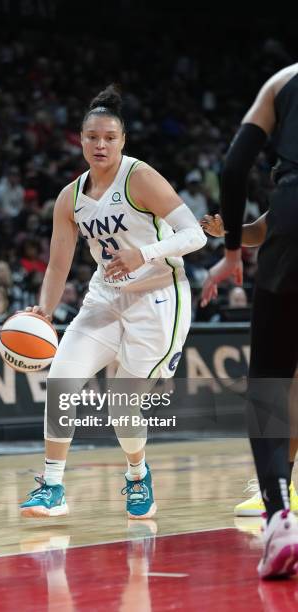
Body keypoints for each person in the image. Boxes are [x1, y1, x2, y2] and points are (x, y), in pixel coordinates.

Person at [19, 85, 206, 519]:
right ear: (80, 140)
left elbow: (194, 234)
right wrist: (44, 311)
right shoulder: (70, 197)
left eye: (109, 138)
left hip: (158, 297)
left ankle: (138, 475)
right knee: (62, 378)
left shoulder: (140, 177)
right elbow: (57, 264)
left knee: (122, 405)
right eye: (92, 137)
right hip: (104, 296)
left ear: (122, 141)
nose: (100, 144)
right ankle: (52, 486)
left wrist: (144, 253)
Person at [200, 64, 298, 579]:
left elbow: (234, 168)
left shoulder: (283, 83)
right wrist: (236, 231)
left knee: (269, 387)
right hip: (285, 220)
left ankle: (280, 515)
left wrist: (232, 249)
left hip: (292, 219)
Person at [202, 212, 298, 516]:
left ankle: (278, 486)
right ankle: (279, 486)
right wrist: (228, 232)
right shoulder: (289, 180)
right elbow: (259, 230)